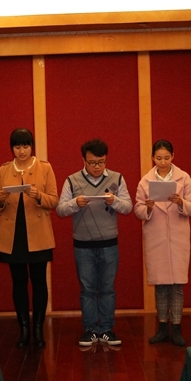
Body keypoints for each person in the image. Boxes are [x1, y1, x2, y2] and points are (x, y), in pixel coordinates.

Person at [56, 138, 132, 346]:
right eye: (92, 163)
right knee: (87, 289)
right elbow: (60, 209)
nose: (97, 167)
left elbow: (128, 207)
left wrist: (114, 201)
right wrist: (75, 203)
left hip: (109, 243)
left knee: (107, 288)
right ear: (84, 161)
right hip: (83, 245)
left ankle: (106, 329)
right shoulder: (72, 180)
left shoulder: (117, 178)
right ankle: (90, 329)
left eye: (102, 162)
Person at [0, 128, 58, 348]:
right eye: (17, 146)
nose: (22, 151)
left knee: (39, 282)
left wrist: (38, 196)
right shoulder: (4, 169)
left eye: (26, 146)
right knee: (18, 283)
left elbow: (54, 200)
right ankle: (23, 329)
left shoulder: (45, 167)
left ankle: (38, 328)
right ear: (12, 148)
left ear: (32, 147)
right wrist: (2, 199)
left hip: (38, 233)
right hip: (14, 235)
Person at [134, 139, 191, 346]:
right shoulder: (145, 181)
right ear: (153, 158)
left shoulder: (184, 178)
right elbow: (138, 210)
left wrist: (181, 203)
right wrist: (148, 207)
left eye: (167, 158)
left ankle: (176, 328)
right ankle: (162, 327)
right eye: (159, 158)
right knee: (161, 286)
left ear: (173, 157)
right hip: (156, 237)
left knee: (177, 285)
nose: (163, 162)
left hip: (178, 237)